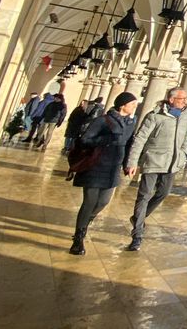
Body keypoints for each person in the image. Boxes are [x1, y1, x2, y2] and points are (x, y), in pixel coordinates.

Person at [124, 87, 187, 251]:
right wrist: (132, 162)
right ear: (171, 99)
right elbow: (140, 138)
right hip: (153, 160)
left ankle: (139, 217)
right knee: (144, 196)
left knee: (163, 192)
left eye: (185, 99)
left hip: (172, 163)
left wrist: (183, 152)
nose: (185, 102)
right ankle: (137, 234)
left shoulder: (186, 116)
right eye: (182, 99)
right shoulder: (155, 115)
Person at [69, 92, 137, 256]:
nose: (135, 107)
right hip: (95, 165)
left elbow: (129, 145)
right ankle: (78, 238)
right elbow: (85, 139)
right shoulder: (102, 120)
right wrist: (106, 140)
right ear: (123, 105)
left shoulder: (130, 123)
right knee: (89, 201)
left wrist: (128, 164)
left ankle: (87, 220)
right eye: (132, 104)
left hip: (113, 168)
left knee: (103, 201)